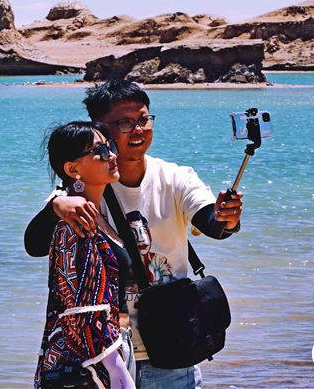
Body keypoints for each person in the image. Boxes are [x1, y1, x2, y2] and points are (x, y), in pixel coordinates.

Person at [26, 80, 242, 389]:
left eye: (143, 119)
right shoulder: (82, 189)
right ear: (100, 129)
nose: (138, 129)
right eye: (124, 123)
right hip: (109, 351)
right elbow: (35, 243)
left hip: (171, 341)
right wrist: (57, 205)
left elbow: (213, 223)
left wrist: (227, 217)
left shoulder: (175, 177)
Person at [35, 121, 135, 389]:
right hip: (89, 369)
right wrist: (116, 371)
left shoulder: (98, 214)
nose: (112, 155)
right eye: (101, 151)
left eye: (111, 146)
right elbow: (79, 310)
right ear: (72, 169)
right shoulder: (74, 224)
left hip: (103, 358)